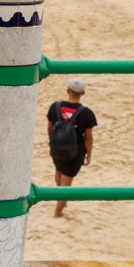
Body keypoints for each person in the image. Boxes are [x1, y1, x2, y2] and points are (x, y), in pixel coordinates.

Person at [47, 77, 97, 217]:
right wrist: (89, 154)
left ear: (67, 90)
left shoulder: (55, 107)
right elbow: (88, 137)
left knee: (58, 172)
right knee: (67, 182)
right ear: (83, 93)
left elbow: (49, 128)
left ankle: (61, 200)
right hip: (75, 152)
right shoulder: (86, 113)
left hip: (57, 148)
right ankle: (58, 212)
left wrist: (54, 143)